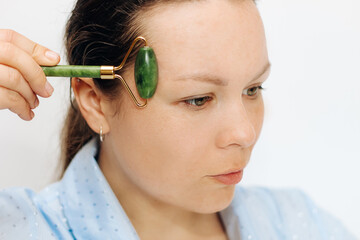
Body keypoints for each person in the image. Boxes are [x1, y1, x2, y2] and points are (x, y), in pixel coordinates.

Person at [0, 0, 356, 239]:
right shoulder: (18, 227)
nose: (245, 133)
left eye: (253, 89)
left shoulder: (302, 224)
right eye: (198, 99)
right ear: (95, 102)